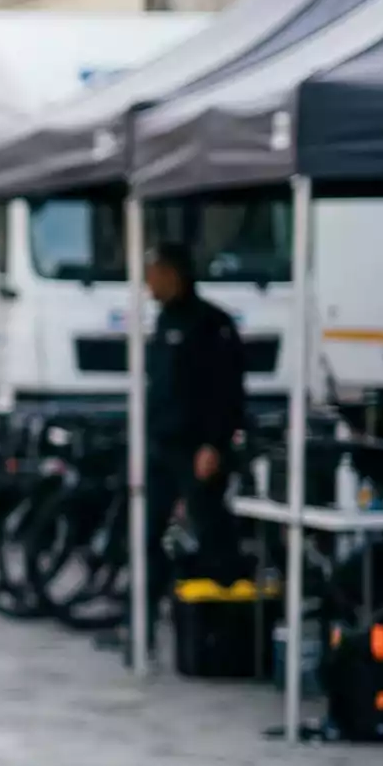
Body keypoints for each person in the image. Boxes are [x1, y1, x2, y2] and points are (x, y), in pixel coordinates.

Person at [143, 238, 246, 595]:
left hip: (196, 448)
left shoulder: (210, 324)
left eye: (154, 275)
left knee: (211, 530)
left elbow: (227, 392)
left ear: (174, 274)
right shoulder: (163, 320)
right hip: (161, 444)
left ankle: (226, 606)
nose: (148, 284)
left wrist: (214, 444)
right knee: (148, 532)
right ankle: (145, 617)